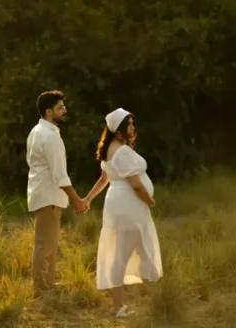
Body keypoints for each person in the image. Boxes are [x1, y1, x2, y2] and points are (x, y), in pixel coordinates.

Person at [84, 108, 163, 318]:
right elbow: (136, 185)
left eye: (132, 123)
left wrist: (88, 199)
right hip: (129, 204)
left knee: (138, 250)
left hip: (118, 203)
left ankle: (154, 299)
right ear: (118, 130)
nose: (132, 127)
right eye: (128, 124)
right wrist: (150, 201)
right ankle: (121, 306)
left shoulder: (110, 147)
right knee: (128, 252)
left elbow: (104, 179)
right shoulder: (122, 151)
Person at [26, 90, 88, 298]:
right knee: (44, 244)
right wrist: (77, 200)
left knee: (50, 243)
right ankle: (41, 290)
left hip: (44, 193)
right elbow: (60, 175)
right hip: (48, 195)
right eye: (60, 107)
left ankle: (49, 284)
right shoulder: (48, 136)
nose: (64, 110)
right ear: (48, 111)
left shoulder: (37, 131)